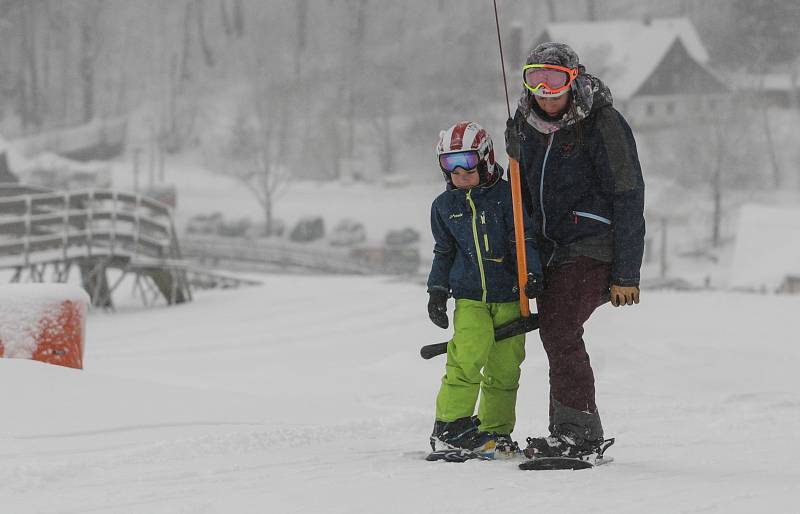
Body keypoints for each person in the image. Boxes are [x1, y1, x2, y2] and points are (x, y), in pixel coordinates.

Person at [504, 42, 645, 458]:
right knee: (556, 329)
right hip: (552, 250)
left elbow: (629, 194)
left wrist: (626, 274)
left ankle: (580, 435)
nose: (545, 92)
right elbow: (522, 197)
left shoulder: (603, 124)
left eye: (555, 80)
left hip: (594, 245)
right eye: (536, 79)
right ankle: (566, 430)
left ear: (575, 79)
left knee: (560, 327)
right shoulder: (524, 125)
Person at [427, 121, 543, 459]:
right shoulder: (444, 206)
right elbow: (443, 251)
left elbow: (523, 239)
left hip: (510, 296)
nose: (460, 172)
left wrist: (533, 274)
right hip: (470, 299)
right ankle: (451, 426)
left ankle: (495, 430)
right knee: (466, 358)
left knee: (505, 368)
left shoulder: (509, 196)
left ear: (487, 159)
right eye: (450, 165)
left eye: (466, 163)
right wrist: (437, 291)